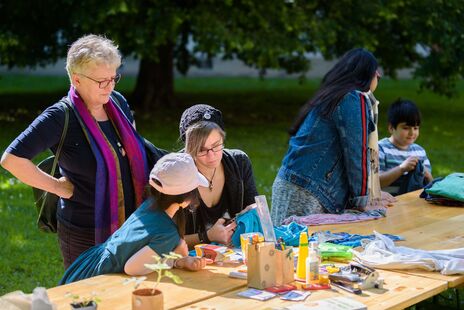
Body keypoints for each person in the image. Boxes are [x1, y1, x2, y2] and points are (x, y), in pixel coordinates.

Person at [0, 34, 150, 268]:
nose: (110, 86)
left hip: (131, 222)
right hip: (85, 231)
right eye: (102, 81)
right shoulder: (60, 116)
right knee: (87, 300)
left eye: (114, 78)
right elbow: (11, 159)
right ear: (77, 80)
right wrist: (57, 187)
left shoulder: (117, 103)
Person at [271, 48, 395, 226]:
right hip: (308, 192)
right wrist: (364, 201)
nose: (379, 75)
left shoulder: (335, 95)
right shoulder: (353, 98)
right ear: (367, 73)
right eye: (376, 71)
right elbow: (356, 153)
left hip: (295, 186)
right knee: (296, 250)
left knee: (286, 249)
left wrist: (372, 194)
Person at [59, 153, 208, 284]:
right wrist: (174, 262)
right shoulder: (167, 232)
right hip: (102, 276)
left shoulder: (151, 205)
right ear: (185, 199)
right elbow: (132, 268)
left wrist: (178, 246)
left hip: (91, 262)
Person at [178, 104, 259, 246]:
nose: (211, 156)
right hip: (188, 261)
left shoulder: (239, 163)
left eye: (216, 146)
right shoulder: (175, 174)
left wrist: (252, 212)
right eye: (201, 150)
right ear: (188, 148)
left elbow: (254, 208)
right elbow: (165, 243)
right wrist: (207, 237)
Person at [379, 99, 433, 195]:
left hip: (414, 203)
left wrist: (426, 174)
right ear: (391, 128)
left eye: (416, 128)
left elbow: (430, 184)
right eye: (406, 128)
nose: (412, 133)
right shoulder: (381, 149)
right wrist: (401, 168)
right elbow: (376, 183)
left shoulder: (420, 151)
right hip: (389, 203)